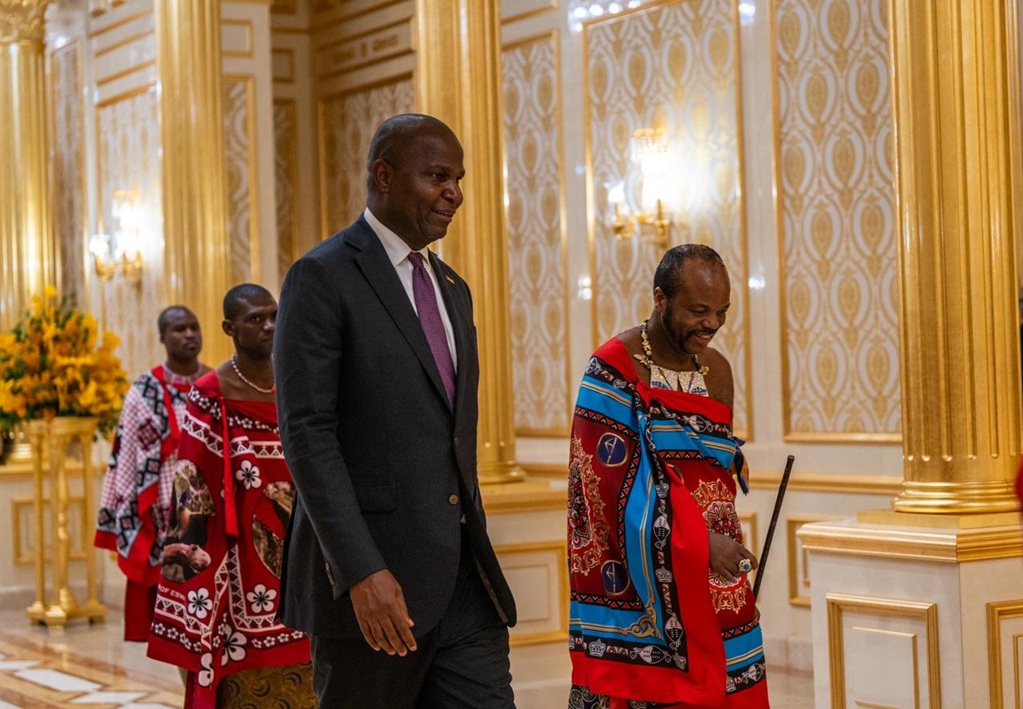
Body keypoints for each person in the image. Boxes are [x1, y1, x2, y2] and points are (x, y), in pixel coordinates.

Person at [274, 113, 517, 707]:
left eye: (458, 179)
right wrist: (361, 571)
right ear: (384, 176)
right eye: (438, 176)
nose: (454, 193)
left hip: (464, 581)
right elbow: (307, 435)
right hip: (374, 587)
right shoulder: (322, 276)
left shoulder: (454, 288)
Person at [567, 244, 770, 708]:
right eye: (698, 311)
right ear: (660, 298)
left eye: (722, 312)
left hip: (718, 569)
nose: (712, 324)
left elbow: (714, 476)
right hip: (640, 577)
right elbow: (602, 492)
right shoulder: (613, 369)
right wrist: (696, 543)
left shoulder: (718, 371)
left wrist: (716, 544)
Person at [147, 284, 314, 708]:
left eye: (273, 315)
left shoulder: (298, 379)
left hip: (305, 544)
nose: (269, 326)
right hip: (238, 560)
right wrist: (198, 581)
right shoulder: (211, 391)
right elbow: (192, 490)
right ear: (229, 328)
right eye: (255, 319)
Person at [95, 305, 210, 642]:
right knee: (174, 620)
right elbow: (127, 459)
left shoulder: (214, 384)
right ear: (162, 337)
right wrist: (131, 511)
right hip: (163, 512)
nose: (189, 334)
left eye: (194, 327)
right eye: (179, 329)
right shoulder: (143, 392)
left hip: (211, 508)